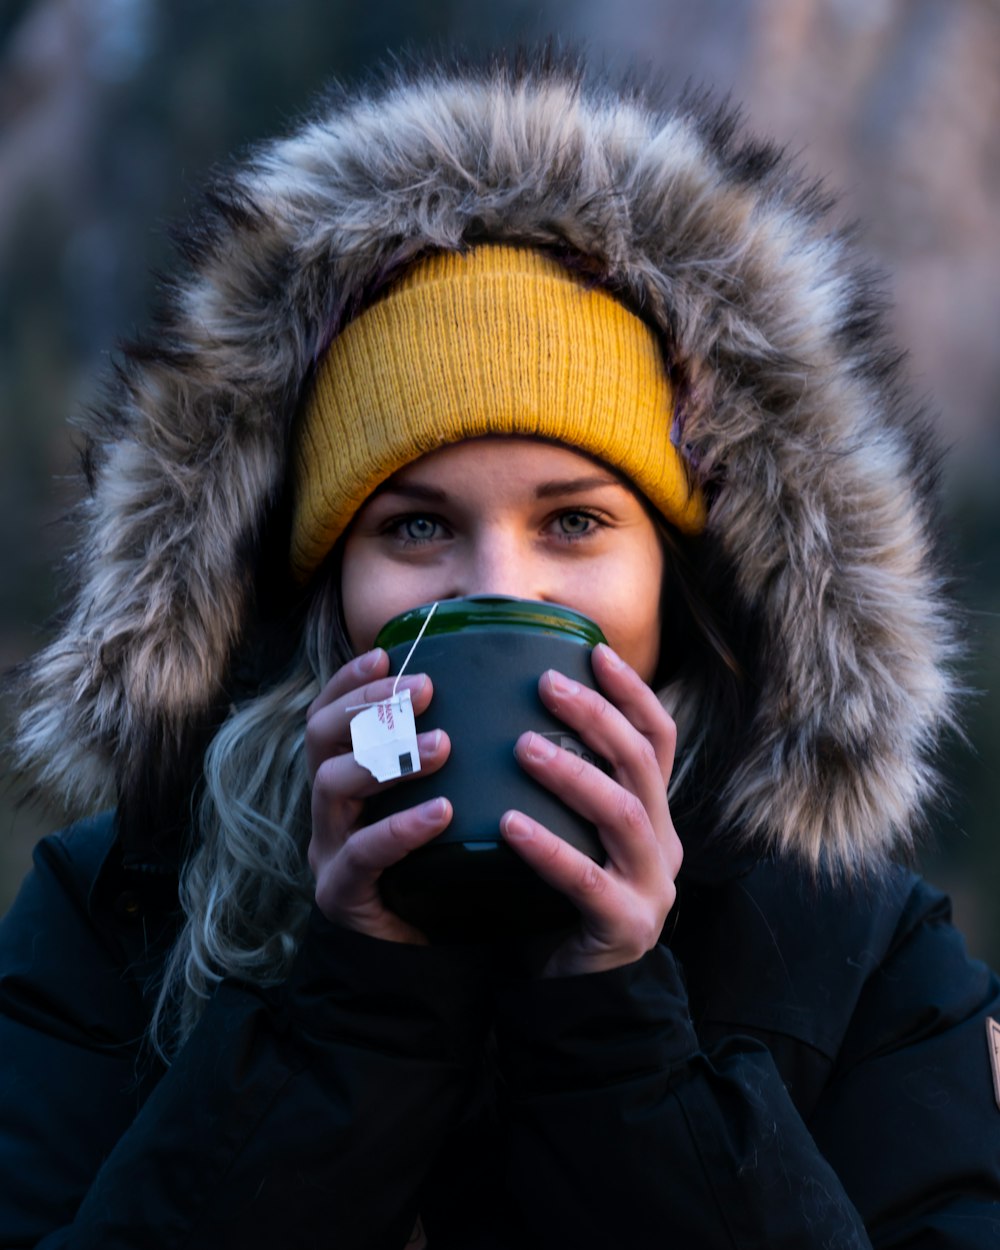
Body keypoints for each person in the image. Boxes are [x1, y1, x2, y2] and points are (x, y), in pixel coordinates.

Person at [1, 53, 998, 1250]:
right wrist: (352, 994)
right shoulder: (114, 910)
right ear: (327, 582)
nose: (494, 587)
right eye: (414, 525)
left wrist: (617, 1015)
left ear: (672, 578)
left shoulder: (855, 946)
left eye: (574, 522)